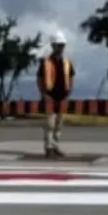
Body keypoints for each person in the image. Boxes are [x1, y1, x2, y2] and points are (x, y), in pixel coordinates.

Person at [36, 30, 75, 158]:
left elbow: (71, 76)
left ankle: (55, 145)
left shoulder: (67, 62)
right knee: (50, 124)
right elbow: (39, 79)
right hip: (50, 96)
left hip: (62, 96)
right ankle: (49, 148)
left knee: (59, 124)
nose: (61, 48)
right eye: (59, 45)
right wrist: (44, 94)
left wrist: (69, 91)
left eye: (62, 45)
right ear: (53, 46)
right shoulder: (46, 62)